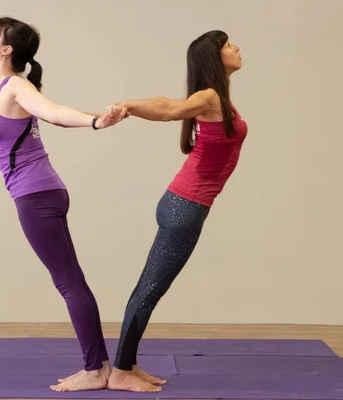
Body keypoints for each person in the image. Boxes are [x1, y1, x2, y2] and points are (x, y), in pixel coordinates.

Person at [0, 17, 127, 392]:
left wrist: (95, 122)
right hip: (39, 192)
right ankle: (99, 365)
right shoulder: (3, 87)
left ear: (6, 49)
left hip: (37, 196)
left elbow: (54, 112)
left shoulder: (15, 86)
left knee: (69, 283)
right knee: (71, 281)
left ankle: (96, 370)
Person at [106, 30, 248, 393]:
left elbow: (168, 103)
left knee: (148, 287)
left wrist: (135, 105)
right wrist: (129, 106)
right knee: (151, 289)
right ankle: (120, 371)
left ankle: (128, 363)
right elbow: (167, 108)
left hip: (183, 204)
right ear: (215, 58)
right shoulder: (210, 96)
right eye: (228, 45)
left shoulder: (217, 97)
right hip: (184, 208)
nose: (236, 47)